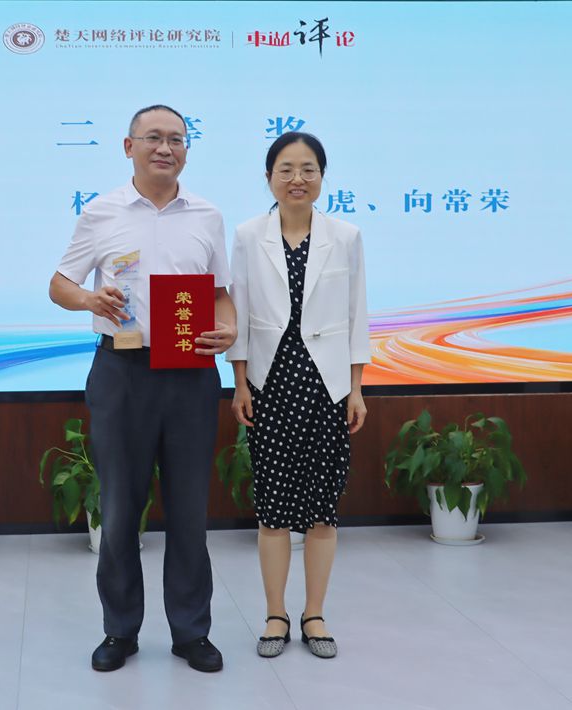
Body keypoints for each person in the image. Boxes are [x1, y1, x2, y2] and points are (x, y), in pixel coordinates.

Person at [49, 105, 236, 673]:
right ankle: (120, 629)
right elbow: (60, 284)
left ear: (186, 150)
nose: (165, 147)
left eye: (177, 139)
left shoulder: (207, 214)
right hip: (122, 373)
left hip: (190, 374)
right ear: (128, 146)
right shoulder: (101, 212)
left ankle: (191, 632)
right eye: (153, 137)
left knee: (189, 511)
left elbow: (221, 293)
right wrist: (90, 299)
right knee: (120, 508)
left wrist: (227, 328)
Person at [226, 132, 370, 659]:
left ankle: (314, 613)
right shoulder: (247, 235)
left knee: (323, 512)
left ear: (322, 177)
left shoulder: (346, 236)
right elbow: (238, 312)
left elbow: (357, 314)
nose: (297, 179)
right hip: (271, 385)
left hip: (328, 387)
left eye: (308, 169)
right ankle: (274, 614)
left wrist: (356, 388)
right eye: (285, 169)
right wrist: (240, 381)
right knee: (273, 511)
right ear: (269, 177)